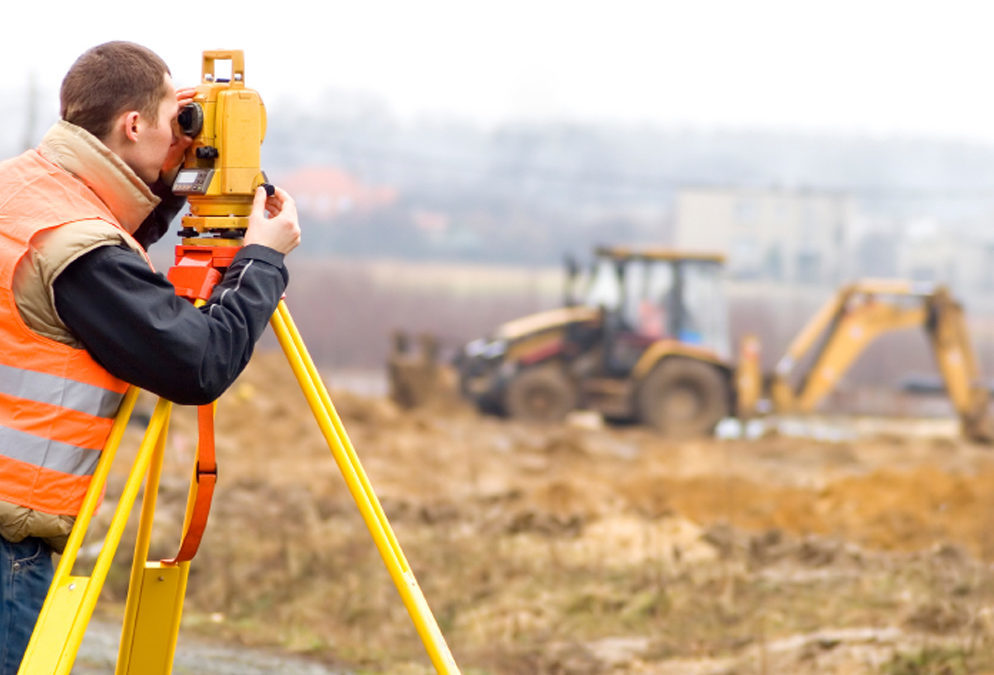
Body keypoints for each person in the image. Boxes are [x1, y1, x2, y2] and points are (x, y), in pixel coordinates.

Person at [0, 41, 301, 673]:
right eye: (175, 119)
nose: (182, 137)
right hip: (8, 542)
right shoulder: (78, 249)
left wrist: (167, 185)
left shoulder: (23, 188)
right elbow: (197, 365)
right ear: (132, 125)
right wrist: (263, 261)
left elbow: (107, 241)